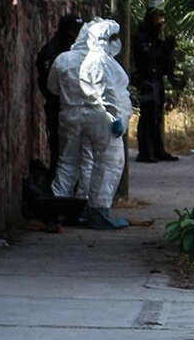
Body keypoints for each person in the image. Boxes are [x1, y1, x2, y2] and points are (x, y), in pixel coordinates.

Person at [76, 19, 132, 229]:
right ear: (105, 39)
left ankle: (95, 210)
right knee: (110, 164)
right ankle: (98, 212)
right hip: (104, 120)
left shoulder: (101, 59)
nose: (118, 41)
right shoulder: (99, 61)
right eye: (115, 37)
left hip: (99, 118)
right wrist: (115, 117)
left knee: (102, 164)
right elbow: (106, 92)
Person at [48, 20, 97, 200]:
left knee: (67, 160)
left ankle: (59, 200)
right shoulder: (99, 61)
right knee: (89, 160)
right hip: (93, 115)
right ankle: (84, 203)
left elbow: (52, 88)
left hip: (69, 113)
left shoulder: (62, 59)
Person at [36, 14, 84, 174]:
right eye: (75, 32)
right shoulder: (51, 52)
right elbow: (48, 86)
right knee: (60, 152)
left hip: (77, 108)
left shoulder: (78, 51)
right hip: (58, 108)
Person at [133, 6, 178, 162]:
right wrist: (165, 48)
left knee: (157, 116)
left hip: (156, 80)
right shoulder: (142, 38)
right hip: (146, 80)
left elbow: (163, 61)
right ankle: (145, 152)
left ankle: (158, 150)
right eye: (158, 19)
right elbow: (149, 57)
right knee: (147, 115)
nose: (161, 22)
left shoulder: (155, 39)